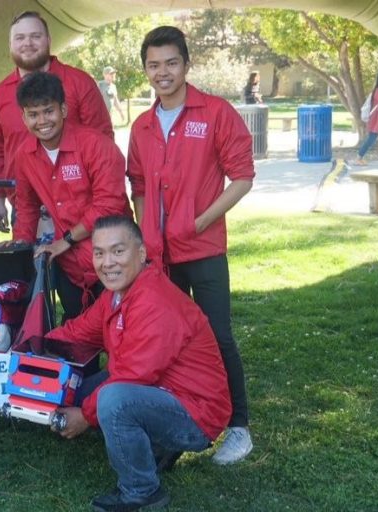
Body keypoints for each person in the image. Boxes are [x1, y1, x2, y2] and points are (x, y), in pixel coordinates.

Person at [126, 26, 255, 465]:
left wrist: (199, 220)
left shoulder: (215, 112)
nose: (162, 73)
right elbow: (138, 184)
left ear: (186, 64)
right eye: (153, 65)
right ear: (146, 70)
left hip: (204, 251)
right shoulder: (142, 126)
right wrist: (146, 229)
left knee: (217, 336)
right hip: (159, 256)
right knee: (170, 344)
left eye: (171, 63)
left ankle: (238, 425)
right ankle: (178, 427)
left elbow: (242, 177)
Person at [51, 216, 232, 511]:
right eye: (99, 253)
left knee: (112, 400)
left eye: (117, 251)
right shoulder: (116, 294)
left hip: (197, 413)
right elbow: (80, 330)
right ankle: (160, 446)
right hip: (163, 390)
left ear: (142, 253)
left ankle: (142, 492)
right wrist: (36, 345)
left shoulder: (155, 301)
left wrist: (84, 417)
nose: (107, 262)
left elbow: (133, 376)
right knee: (85, 393)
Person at [6, 71, 131, 323]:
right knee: (80, 338)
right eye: (33, 114)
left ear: (63, 110)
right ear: (23, 117)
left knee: (123, 333)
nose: (42, 120)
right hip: (70, 267)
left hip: (114, 257)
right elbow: (27, 205)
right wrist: (21, 245)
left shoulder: (96, 145)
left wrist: (66, 240)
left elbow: (109, 204)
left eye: (48, 111)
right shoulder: (24, 155)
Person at [0, 10, 113, 233]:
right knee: (31, 266)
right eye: (20, 38)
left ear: (49, 41)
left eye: (35, 36)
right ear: (10, 45)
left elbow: (103, 141)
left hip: (81, 208)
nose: (27, 43)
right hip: (25, 209)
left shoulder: (79, 83)